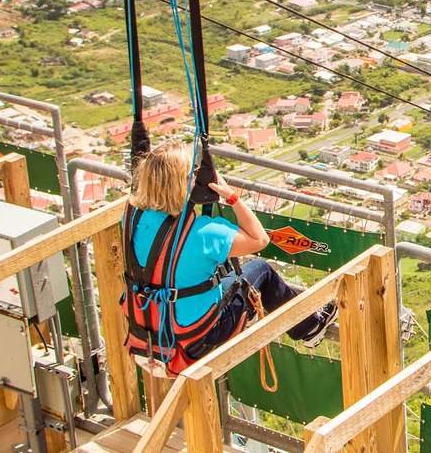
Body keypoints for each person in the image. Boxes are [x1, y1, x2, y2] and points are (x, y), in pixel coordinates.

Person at [122, 136, 336, 373]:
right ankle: (309, 327)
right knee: (260, 269)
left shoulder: (133, 218)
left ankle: (306, 322)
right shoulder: (204, 233)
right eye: (192, 174)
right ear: (182, 184)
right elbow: (260, 239)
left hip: (151, 328)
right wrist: (231, 196)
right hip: (197, 337)